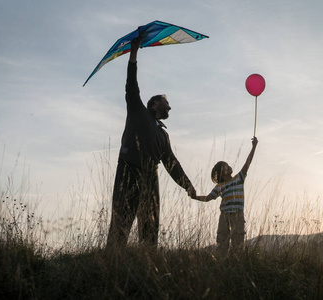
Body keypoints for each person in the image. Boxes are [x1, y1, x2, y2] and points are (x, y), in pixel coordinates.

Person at [106, 37, 197, 249]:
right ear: (155, 103)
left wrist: (188, 186)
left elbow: (171, 163)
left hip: (150, 177)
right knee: (121, 223)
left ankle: (147, 263)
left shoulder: (163, 135)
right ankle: (111, 264)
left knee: (150, 227)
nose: (170, 108)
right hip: (128, 171)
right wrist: (134, 53)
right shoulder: (138, 112)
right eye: (167, 103)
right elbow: (131, 86)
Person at [192, 137, 258, 253]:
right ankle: (222, 264)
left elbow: (248, 162)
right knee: (222, 243)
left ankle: (235, 264)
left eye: (227, 164)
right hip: (224, 216)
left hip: (237, 215)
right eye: (225, 166)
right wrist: (195, 197)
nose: (228, 166)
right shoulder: (220, 187)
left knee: (238, 244)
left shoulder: (239, 178)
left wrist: (254, 147)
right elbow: (208, 198)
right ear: (221, 174)